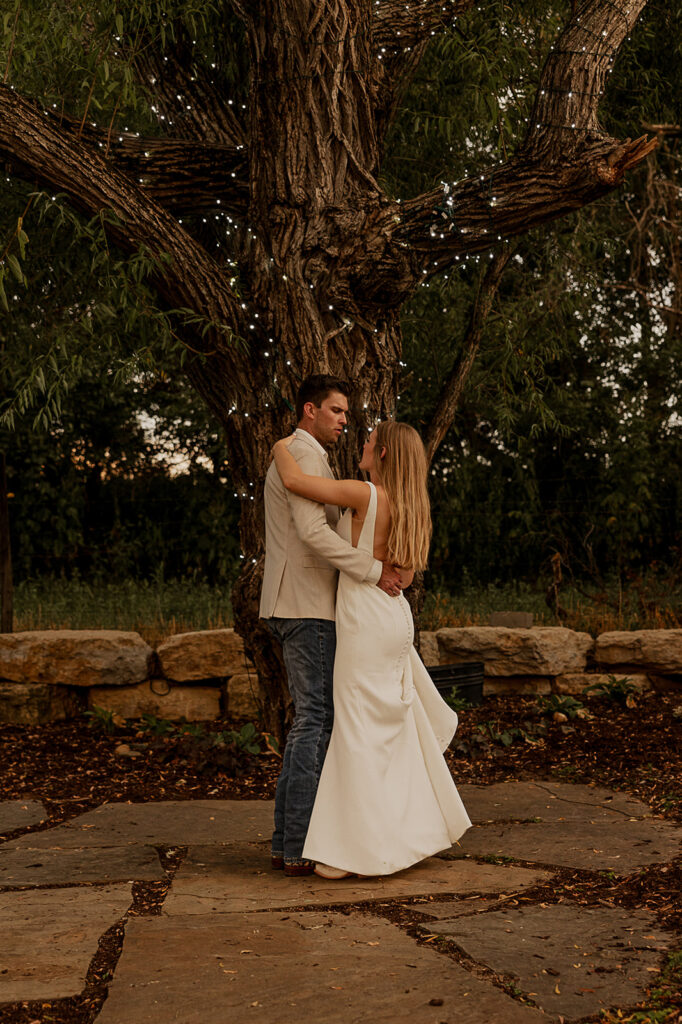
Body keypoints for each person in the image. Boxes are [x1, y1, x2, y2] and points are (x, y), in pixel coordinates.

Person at [271, 419, 471, 878]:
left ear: (382, 454)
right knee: (387, 727)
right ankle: (398, 829)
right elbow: (406, 576)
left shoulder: (367, 494)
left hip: (364, 619)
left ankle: (354, 848)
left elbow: (296, 481)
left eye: (370, 441)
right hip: (395, 619)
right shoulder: (412, 505)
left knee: (358, 728)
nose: (362, 443)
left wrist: (281, 444)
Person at [259, 375, 402, 876]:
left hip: (294, 602)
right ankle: (299, 846)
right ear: (309, 410)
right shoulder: (305, 455)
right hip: (307, 604)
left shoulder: (295, 452)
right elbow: (312, 530)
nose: (345, 420)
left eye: (346, 413)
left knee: (310, 721)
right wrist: (372, 570)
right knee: (315, 722)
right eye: (337, 411)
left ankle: (285, 844)